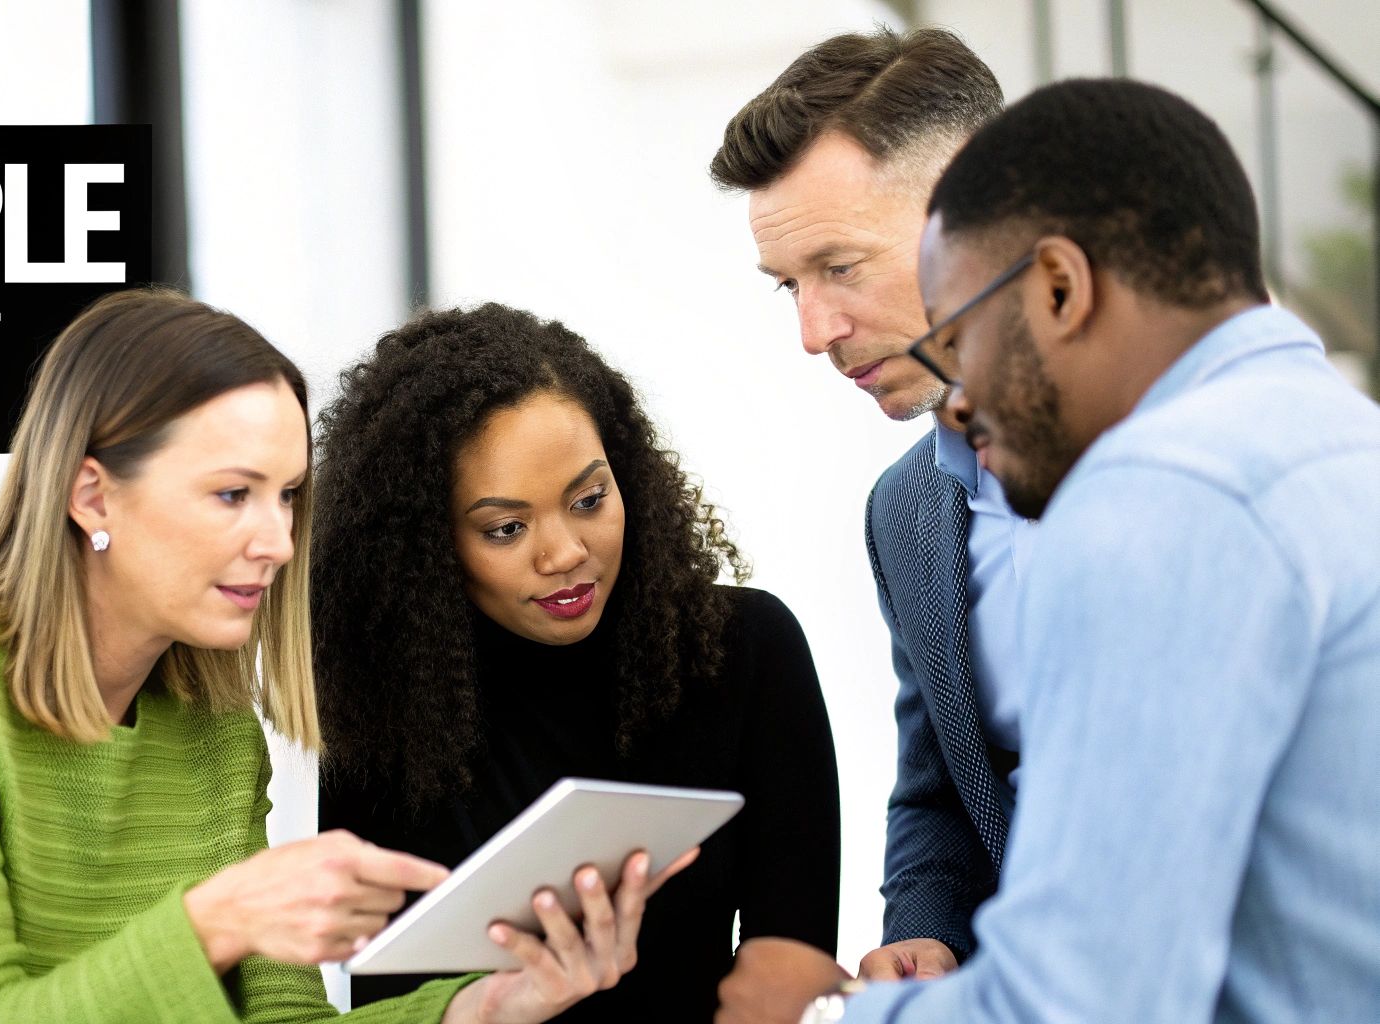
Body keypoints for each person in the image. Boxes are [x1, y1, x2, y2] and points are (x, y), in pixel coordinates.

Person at [0, 287, 670, 1024]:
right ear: (91, 496)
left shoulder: (211, 720)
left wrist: (488, 1008)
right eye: (233, 495)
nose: (276, 540)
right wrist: (220, 920)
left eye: (289, 496)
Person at [716, 78, 1380, 1023]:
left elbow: (1082, 998)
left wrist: (819, 1015)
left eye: (963, 324)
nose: (960, 395)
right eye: (790, 285)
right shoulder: (1337, 443)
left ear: (1059, 283)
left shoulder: (1164, 501)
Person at [312, 303, 841, 1022]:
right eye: (506, 528)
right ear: (428, 547)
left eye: (589, 500)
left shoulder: (745, 651)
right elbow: (390, 1006)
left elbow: (791, 968)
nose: (565, 554)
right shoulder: (386, 704)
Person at [709, 27, 1013, 981]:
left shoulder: (1184, 473)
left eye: (841, 267)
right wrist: (927, 929)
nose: (814, 332)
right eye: (787, 287)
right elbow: (942, 794)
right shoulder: (908, 512)